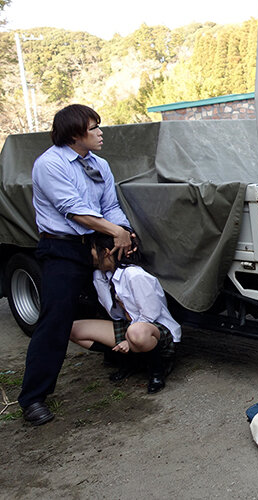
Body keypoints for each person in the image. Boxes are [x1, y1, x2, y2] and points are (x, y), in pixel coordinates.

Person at [18, 104, 134, 426]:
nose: (100, 133)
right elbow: (74, 209)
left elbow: (110, 205)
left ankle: (124, 359)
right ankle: (33, 398)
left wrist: (125, 233)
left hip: (94, 243)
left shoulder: (99, 164)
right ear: (73, 135)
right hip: (61, 247)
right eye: (93, 128)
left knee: (115, 304)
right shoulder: (50, 164)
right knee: (55, 319)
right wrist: (115, 232)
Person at [70, 233, 180, 394]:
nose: (89, 254)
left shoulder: (134, 274)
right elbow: (114, 314)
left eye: (92, 249)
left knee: (136, 332)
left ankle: (158, 371)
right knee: (73, 329)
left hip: (155, 328)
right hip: (130, 325)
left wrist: (128, 340)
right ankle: (134, 361)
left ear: (106, 251)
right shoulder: (100, 276)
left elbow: (151, 314)